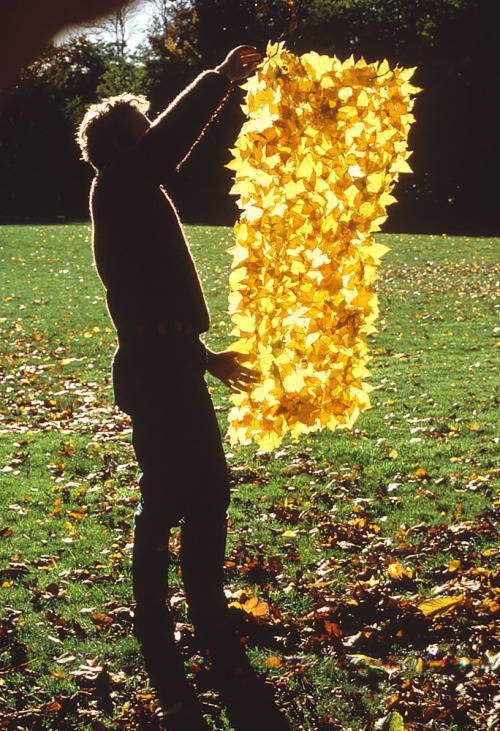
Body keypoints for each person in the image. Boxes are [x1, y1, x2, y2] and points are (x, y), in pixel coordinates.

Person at [77, 47, 291, 731]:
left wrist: (206, 358)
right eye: (143, 127)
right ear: (122, 141)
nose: (154, 133)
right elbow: (168, 144)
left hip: (172, 364)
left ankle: (209, 621)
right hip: (152, 372)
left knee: (208, 493)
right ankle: (164, 655)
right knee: (168, 499)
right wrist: (220, 80)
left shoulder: (134, 191)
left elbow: (153, 299)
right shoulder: (119, 182)